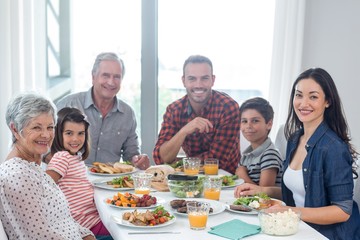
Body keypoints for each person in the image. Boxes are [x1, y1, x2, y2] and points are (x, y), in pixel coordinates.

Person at [234, 68, 360, 239]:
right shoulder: (295, 138)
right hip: (297, 228)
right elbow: (300, 191)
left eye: (313, 97)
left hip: (325, 235)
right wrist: (261, 190)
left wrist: (290, 211)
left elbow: (343, 211)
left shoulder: (333, 147)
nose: (303, 103)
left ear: (327, 101)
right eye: (299, 95)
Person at [0, 92, 95, 240]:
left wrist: (87, 235)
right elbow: (42, 236)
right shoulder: (18, 176)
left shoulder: (31, 167)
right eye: (37, 128)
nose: (46, 135)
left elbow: (64, 220)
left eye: (50, 127)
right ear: (14, 129)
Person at [56, 52, 149, 170]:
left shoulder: (128, 114)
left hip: (109, 184)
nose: (111, 82)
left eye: (117, 77)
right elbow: (48, 150)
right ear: (93, 77)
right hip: (71, 180)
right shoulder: (68, 104)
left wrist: (138, 160)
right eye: (105, 75)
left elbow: (131, 156)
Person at [153, 55, 240, 174]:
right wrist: (184, 131)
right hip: (190, 180)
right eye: (192, 79)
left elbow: (216, 162)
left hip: (225, 182)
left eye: (204, 78)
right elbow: (161, 158)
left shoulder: (228, 107)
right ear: (184, 81)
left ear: (212, 80)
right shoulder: (174, 110)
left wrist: (180, 163)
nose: (198, 85)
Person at [46, 107, 112, 239]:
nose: (75, 139)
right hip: (84, 224)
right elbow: (45, 186)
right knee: (120, 230)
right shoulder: (62, 157)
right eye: (69, 133)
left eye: (81, 133)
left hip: (90, 219)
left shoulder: (76, 157)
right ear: (59, 134)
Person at [235, 97, 282, 186]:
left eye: (255, 121)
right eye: (244, 121)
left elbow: (264, 195)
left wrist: (242, 176)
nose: (248, 126)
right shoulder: (246, 155)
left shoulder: (270, 155)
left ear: (269, 124)